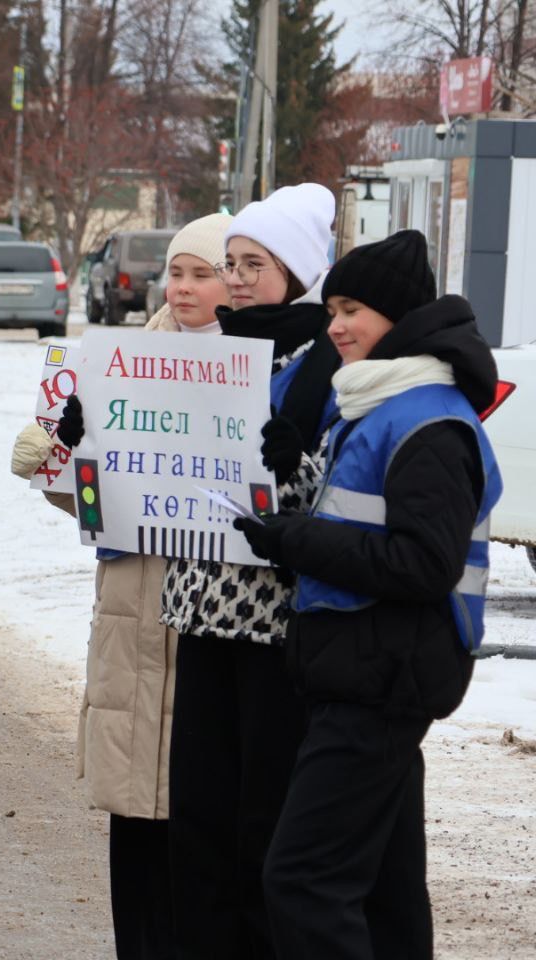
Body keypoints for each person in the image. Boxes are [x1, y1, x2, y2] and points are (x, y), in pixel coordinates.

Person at [233, 230, 501, 959]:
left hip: (381, 680)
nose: (336, 327)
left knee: (303, 882)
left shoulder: (426, 421)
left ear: (400, 318)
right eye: (332, 310)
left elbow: (422, 563)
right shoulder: (384, 406)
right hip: (371, 674)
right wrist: (292, 537)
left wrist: (298, 542)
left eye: (352, 310)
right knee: (384, 898)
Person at [10, 213, 232, 959]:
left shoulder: (258, 366)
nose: (185, 287)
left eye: (203, 273)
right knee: (135, 819)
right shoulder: (124, 362)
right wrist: (56, 465)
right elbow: (97, 502)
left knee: (200, 828)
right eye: (177, 272)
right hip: (132, 615)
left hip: (208, 620)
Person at [160, 183, 340, 959]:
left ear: (297, 274)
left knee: (261, 821)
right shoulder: (205, 353)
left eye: (253, 263)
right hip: (201, 612)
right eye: (229, 262)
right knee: (197, 818)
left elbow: (327, 488)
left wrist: (288, 471)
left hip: (274, 626)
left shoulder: (324, 364)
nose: (234, 279)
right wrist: (94, 431)